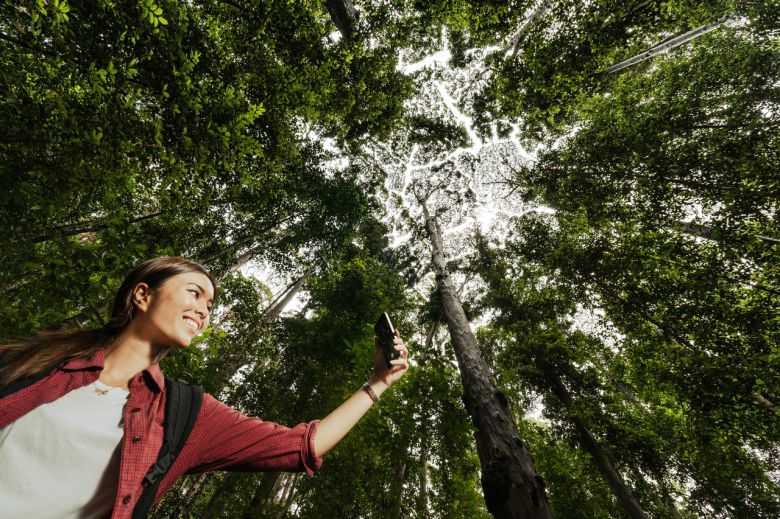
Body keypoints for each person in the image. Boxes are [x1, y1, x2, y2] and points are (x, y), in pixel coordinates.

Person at [0, 256, 409, 518]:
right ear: (142, 295)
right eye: (194, 294)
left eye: (210, 305)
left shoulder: (185, 415)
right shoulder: (41, 360)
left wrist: (377, 383)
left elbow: (302, 446)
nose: (203, 311)